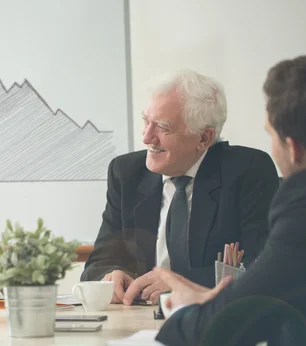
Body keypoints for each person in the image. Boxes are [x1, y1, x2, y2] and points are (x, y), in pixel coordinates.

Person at [154, 54, 306, 346]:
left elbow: (223, 332)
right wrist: (218, 301)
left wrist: (185, 310)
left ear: (293, 148)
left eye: (270, 134)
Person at [81, 69, 279, 305]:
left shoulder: (247, 170)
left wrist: (180, 282)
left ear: (204, 138)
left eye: (163, 127)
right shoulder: (126, 173)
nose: (146, 137)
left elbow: (263, 266)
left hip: (214, 318)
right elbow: (97, 264)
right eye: (146, 121)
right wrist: (110, 276)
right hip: (138, 320)